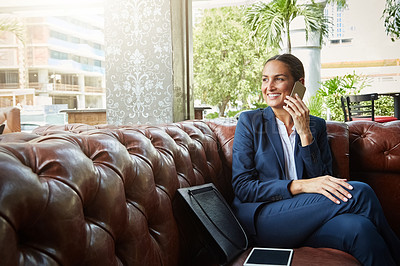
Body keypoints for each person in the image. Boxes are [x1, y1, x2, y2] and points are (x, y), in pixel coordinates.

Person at [231, 53, 400, 265]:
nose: (269, 86)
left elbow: (323, 180)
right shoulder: (250, 122)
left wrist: (304, 134)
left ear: (299, 85)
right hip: (265, 219)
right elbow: (243, 187)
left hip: (309, 217)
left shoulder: (316, 126)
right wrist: (299, 186)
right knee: (361, 192)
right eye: (265, 79)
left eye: (279, 79)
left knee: (361, 229)